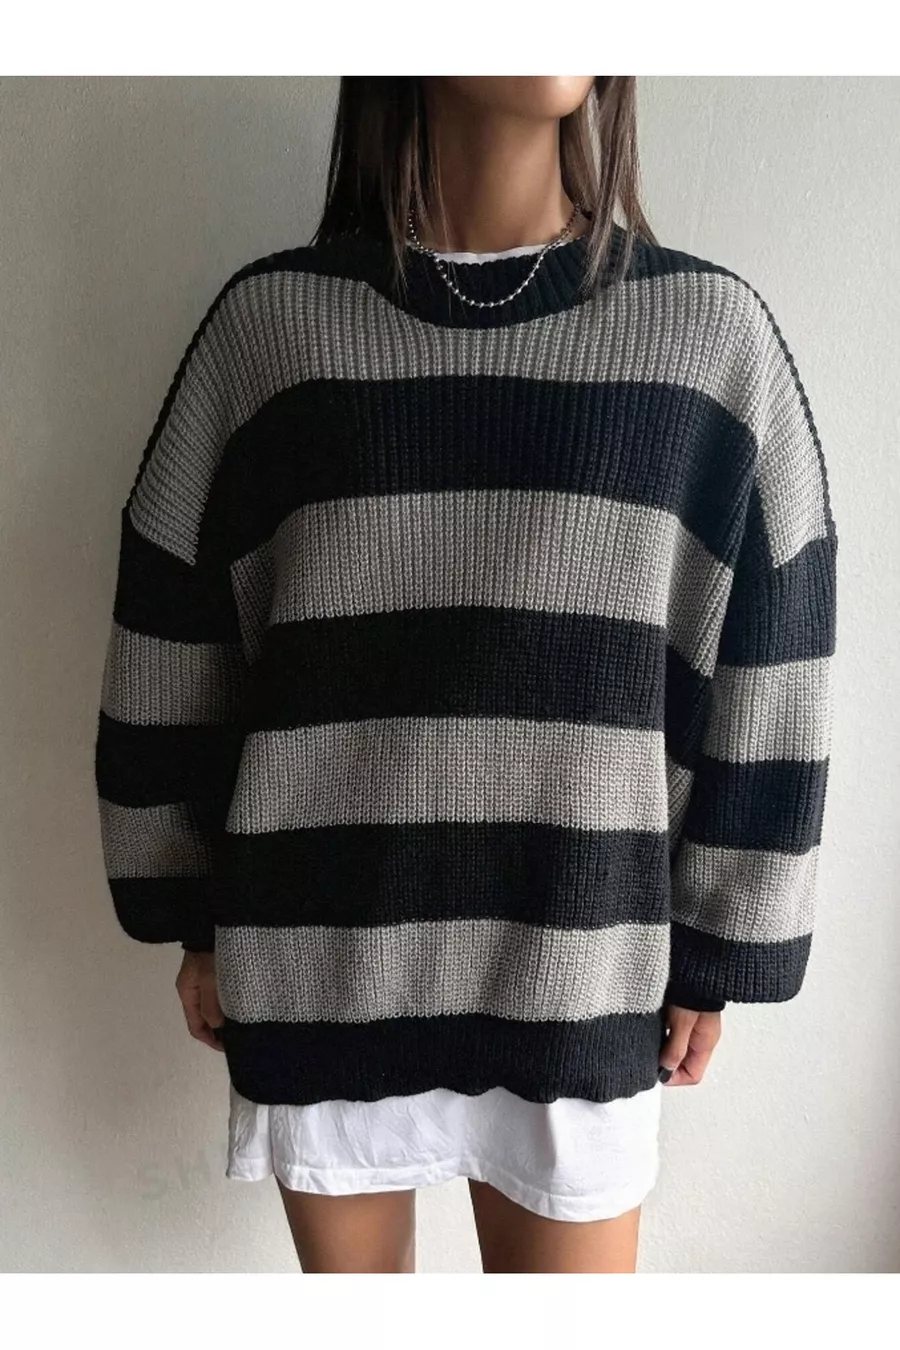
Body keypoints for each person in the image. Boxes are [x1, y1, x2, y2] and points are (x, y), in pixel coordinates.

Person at [93, 75, 837, 1274]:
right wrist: (184, 904)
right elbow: (171, 621)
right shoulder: (272, 330)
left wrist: (724, 938)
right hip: (323, 963)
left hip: (581, 971)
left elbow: (776, 636)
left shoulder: (708, 338)